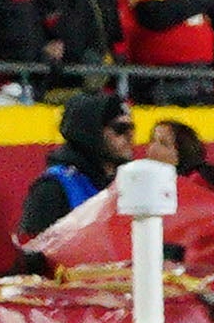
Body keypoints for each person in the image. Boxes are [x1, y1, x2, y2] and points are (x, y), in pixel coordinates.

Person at [16, 85, 132, 242]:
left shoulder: (125, 184)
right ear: (91, 133)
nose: (129, 136)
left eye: (132, 129)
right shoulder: (53, 188)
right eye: (120, 129)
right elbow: (32, 250)